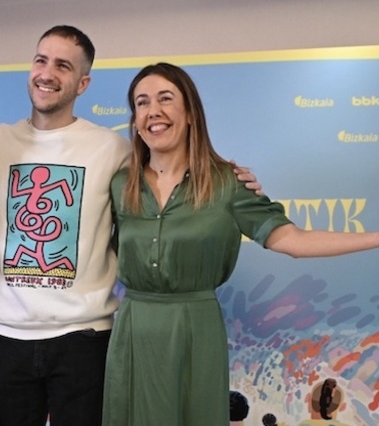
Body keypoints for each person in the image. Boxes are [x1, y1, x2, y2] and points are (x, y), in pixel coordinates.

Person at [0, 25, 262, 426]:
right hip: (9, 340)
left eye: (63, 65)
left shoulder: (113, 149)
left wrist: (226, 176)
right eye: (41, 60)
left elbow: (168, 177)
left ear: (83, 83)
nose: (47, 73)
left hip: (85, 339)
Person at [102, 62, 379, 425]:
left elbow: (292, 239)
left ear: (190, 113)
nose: (153, 110)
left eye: (165, 99)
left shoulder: (227, 184)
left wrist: (375, 238)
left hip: (196, 329)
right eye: (142, 102)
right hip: (134, 330)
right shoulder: (118, 184)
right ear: (135, 120)